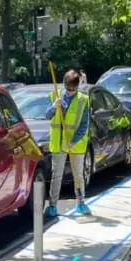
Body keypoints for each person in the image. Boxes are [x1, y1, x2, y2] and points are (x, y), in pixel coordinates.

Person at [44, 69, 91, 218]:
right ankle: (52, 206)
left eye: (73, 89)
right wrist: (54, 106)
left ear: (78, 87)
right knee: (56, 175)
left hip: (75, 145)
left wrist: (73, 141)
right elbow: (47, 115)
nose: (70, 92)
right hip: (58, 144)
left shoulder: (83, 100)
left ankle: (81, 203)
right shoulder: (55, 96)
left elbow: (84, 125)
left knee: (78, 175)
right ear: (64, 85)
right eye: (68, 89)